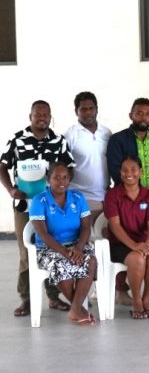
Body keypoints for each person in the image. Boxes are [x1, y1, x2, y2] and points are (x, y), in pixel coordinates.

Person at [2, 100, 76, 317]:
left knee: (52, 248)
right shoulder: (17, 139)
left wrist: (62, 188)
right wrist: (11, 189)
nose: (42, 118)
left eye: (46, 115)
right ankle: (26, 299)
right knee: (26, 252)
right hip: (24, 206)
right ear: (31, 117)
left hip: (52, 206)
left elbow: (70, 168)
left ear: (50, 117)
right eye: (38, 114)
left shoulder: (59, 141)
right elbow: (2, 166)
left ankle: (53, 297)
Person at [28, 163, 96, 326]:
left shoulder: (78, 197)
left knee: (91, 261)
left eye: (65, 177)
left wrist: (78, 248)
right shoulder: (39, 200)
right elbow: (43, 234)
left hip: (76, 245)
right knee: (60, 264)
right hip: (49, 248)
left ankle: (75, 309)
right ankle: (78, 309)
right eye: (56, 177)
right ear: (48, 179)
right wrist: (66, 253)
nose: (61, 181)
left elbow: (86, 228)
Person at [104, 156, 149, 319]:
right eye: (125, 170)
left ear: (141, 172)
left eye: (133, 169)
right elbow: (114, 225)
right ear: (120, 172)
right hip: (120, 244)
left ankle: (146, 300)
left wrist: (148, 245)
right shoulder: (112, 195)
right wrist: (134, 246)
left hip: (143, 242)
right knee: (137, 259)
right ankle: (136, 301)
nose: (129, 173)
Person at [107, 99, 149, 207]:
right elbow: (115, 170)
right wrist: (136, 190)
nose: (144, 117)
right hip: (127, 200)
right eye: (139, 113)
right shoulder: (117, 139)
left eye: (148, 114)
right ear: (130, 115)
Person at [63, 91, 111, 226]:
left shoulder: (106, 133)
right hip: (81, 198)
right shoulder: (70, 135)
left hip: (106, 197)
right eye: (83, 109)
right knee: (85, 236)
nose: (88, 112)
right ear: (76, 111)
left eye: (91, 108)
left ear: (97, 109)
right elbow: (64, 167)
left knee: (104, 236)